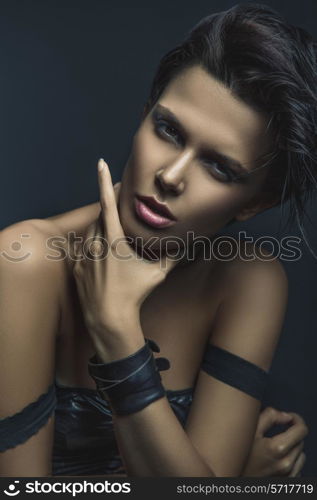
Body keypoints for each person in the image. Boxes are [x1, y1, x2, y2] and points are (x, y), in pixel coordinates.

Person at [0, 2, 314, 477]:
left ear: (254, 204)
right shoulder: (24, 263)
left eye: (220, 168)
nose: (170, 175)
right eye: (168, 130)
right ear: (144, 115)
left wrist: (117, 330)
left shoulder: (249, 281)